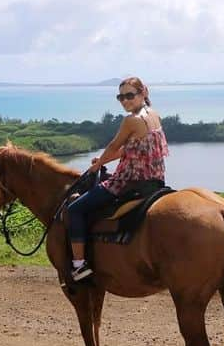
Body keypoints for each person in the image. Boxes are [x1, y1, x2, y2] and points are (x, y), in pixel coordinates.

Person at [66, 77, 169, 282]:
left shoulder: (131, 120)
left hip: (129, 181)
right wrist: (104, 159)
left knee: (74, 209)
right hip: (155, 180)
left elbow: (114, 146)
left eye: (130, 95)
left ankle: (79, 265)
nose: (125, 101)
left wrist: (97, 165)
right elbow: (132, 149)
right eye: (120, 97)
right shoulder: (153, 115)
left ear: (144, 93)